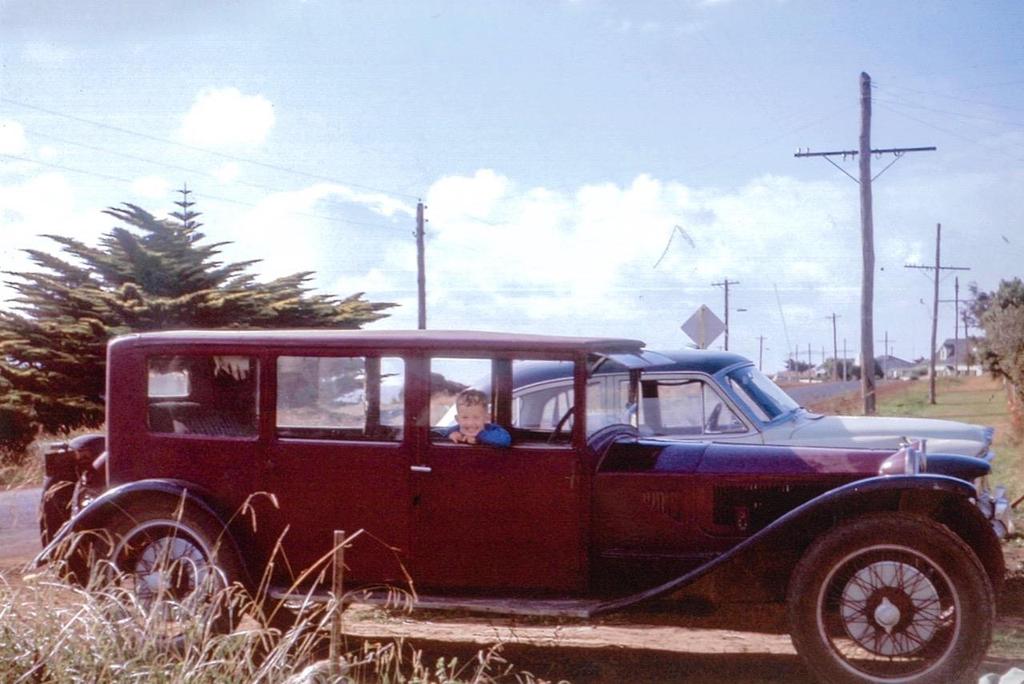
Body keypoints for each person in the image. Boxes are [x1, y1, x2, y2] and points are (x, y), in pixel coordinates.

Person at [440, 388, 511, 447]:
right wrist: (451, 435)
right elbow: (441, 434)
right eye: (465, 417)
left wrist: (478, 437)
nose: (470, 423)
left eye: (476, 417)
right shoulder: (455, 429)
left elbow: (504, 440)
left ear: (486, 418)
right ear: (457, 419)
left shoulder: (493, 429)